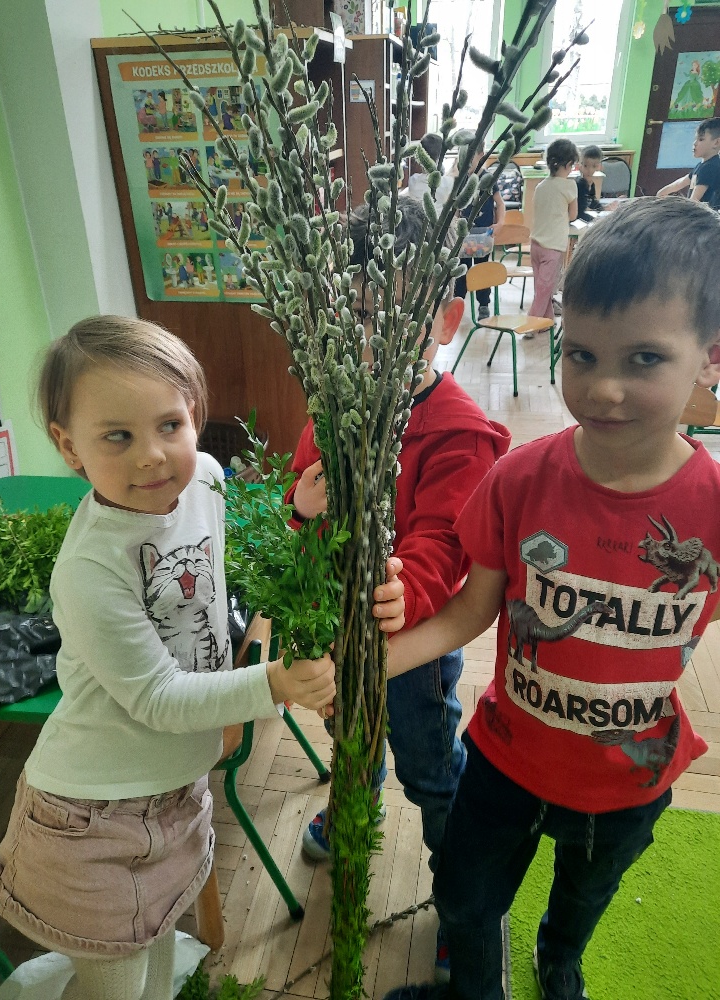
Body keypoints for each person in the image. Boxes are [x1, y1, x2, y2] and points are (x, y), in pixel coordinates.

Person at [382, 197, 720, 1000]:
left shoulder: (712, 507)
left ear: (710, 359)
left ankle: (558, 959)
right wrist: (369, 664)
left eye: (643, 359)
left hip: (629, 779)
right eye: (581, 355)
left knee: (583, 897)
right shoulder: (518, 479)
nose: (603, 389)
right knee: (464, 898)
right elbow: (471, 612)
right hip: (504, 760)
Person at [0, 316, 363, 1000]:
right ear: (69, 447)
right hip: (93, 811)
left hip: (175, 784)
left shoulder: (207, 479)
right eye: (118, 436)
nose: (153, 457)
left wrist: (299, 514)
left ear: (194, 414)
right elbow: (158, 698)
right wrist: (274, 683)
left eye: (169, 425)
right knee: (116, 983)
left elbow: (229, 566)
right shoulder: (91, 569)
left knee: (160, 948)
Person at [290, 198, 512, 981]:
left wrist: (404, 586)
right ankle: (355, 797)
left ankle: (459, 899)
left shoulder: (456, 429)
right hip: (337, 628)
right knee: (348, 733)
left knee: (430, 767)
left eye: (396, 322)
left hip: (410, 647)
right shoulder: (334, 403)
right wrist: (299, 504)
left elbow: (446, 540)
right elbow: (302, 481)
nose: (372, 341)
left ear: (445, 320)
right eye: (357, 318)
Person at [454, 140, 506, 320]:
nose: (466, 163)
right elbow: (456, 207)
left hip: (484, 234)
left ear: (481, 155)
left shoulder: (488, 179)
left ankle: (484, 304)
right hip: (464, 235)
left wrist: (500, 223)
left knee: (483, 268)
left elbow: (500, 204)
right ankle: (458, 302)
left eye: (470, 158)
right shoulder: (461, 179)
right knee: (462, 270)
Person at [528, 139, 578, 324]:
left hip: (535, 244)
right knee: (544, 291)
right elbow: (573, 215)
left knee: (542, 289)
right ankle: (530, 325)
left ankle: (547, 321)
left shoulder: (540, 186)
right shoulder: (569, 186)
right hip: (553, 247)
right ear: (568, 164)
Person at [657, 117, 720, 210]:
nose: (695, 143)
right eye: (695, 139)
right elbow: (681, 182)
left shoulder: (710, 167)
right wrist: (662, 192)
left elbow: (694, 201)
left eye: (701, 139)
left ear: (716, 143)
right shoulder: (702, 166)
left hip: (705, 216)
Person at [408, 133, 456, 209]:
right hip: (439, 217)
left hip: (415, 216)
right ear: (441, 156)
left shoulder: (413, 180)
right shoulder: (448, 183)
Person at [575, 144, 604, 221]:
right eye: (585, 166)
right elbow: (580, 213)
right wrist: (596, 219)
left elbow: (592, 204)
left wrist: (604, 208)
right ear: (579, 166)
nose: (590, 170)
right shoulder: (580, 185)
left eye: (594, 166)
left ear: (600, 167)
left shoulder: (592, 184)